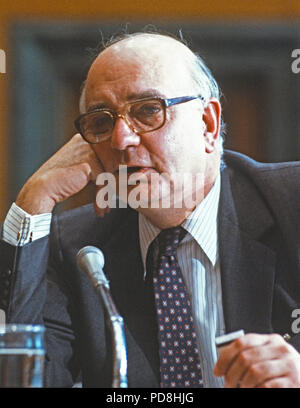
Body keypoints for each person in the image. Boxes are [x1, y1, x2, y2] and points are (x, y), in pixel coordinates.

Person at [0, 31, 300, 388]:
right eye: (102, 121)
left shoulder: (290, 203)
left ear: (207, 123)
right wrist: (32, 201)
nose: (121, 139)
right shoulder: (78, 249)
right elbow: (24, 377)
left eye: (147, 110)